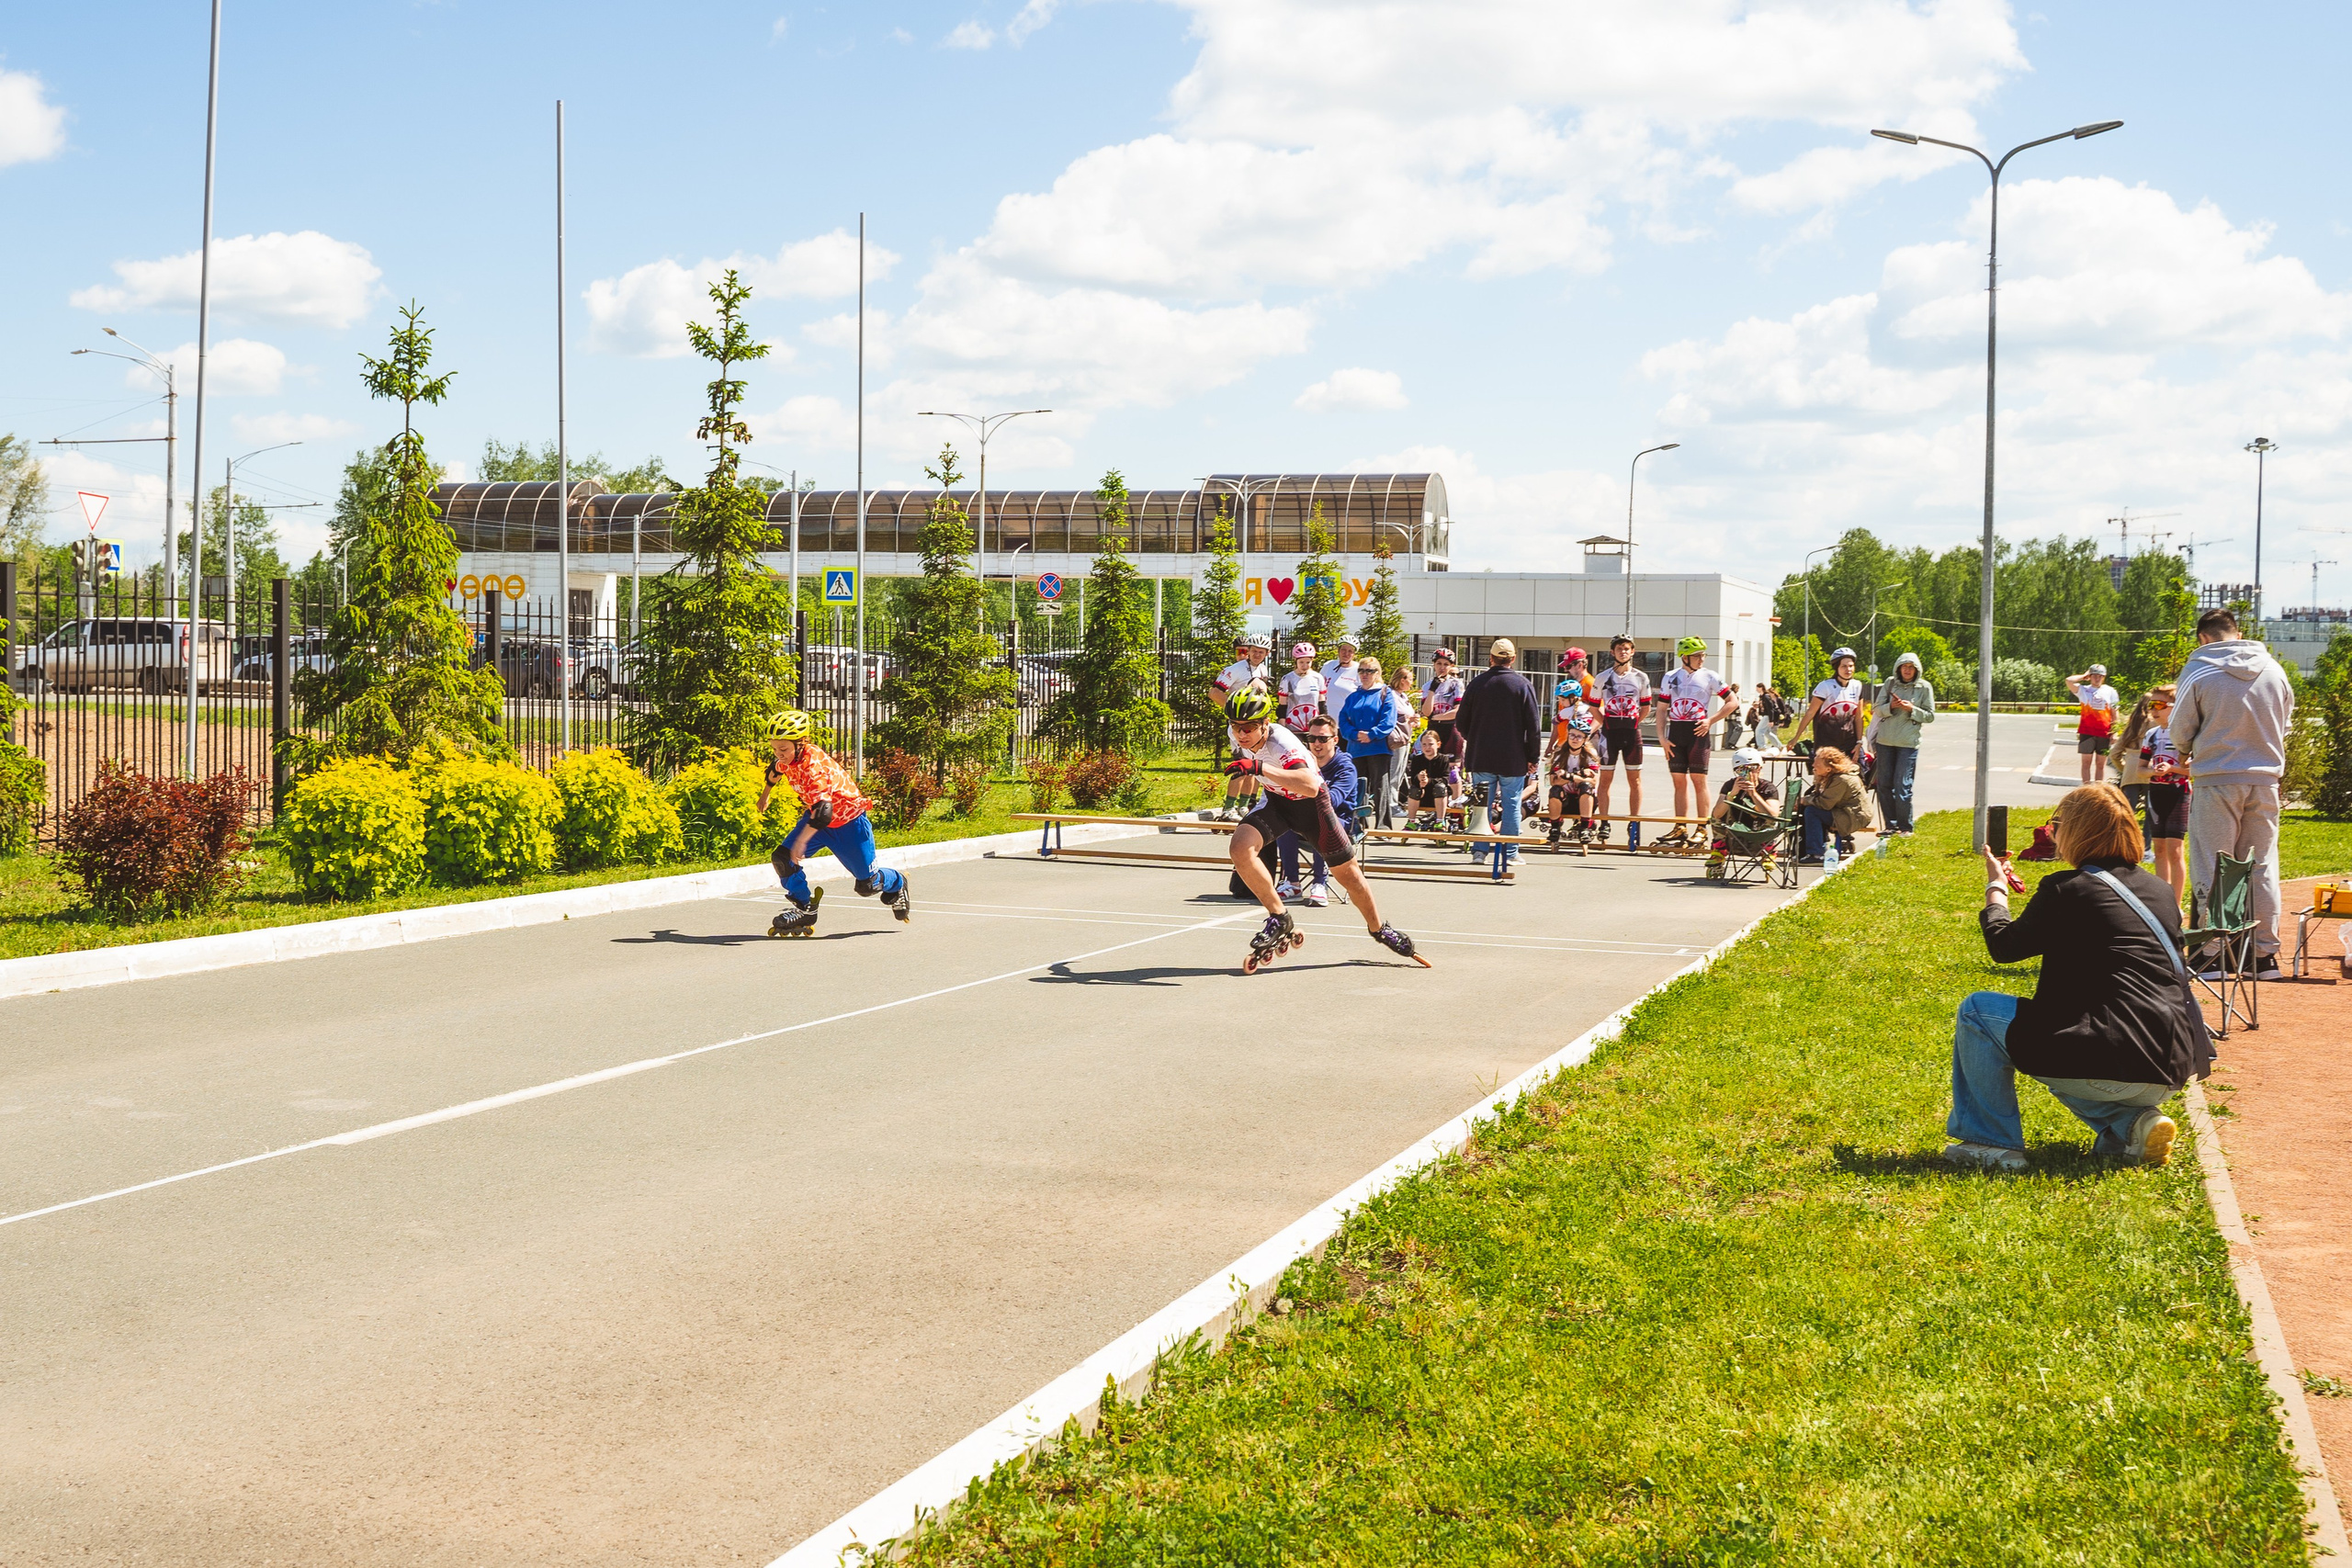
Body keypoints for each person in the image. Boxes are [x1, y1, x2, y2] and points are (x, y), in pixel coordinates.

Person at [1943, 784, 2208, 1172]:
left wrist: (1996, 888)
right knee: (2065, 1051)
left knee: (1978, 1012)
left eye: (2056, 824)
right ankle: (2134, 1124)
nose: (2051, 832)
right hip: (2171, 1063)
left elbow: (2004, 947)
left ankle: (1991, 1142)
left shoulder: (2066, 888)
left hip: (2110, 1057)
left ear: (2076, 831)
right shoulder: (2159, 890)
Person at [1220, 686, 1425, 967]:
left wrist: (1259, 768)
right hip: (1278, 802)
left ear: (1265, 723)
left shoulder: (1283, 743)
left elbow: (1310, 786)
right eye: (1236, 726)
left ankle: (1379, 928)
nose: (1241, 733)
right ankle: (1279, 917)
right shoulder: (1237, 733)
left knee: (1350, 876)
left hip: (1311, 806)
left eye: (1249, 727)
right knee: (1240, 849)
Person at [2169, 607, 2295, 977]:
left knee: (2215, 862)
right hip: (2265, 779)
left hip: (2217, 777)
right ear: (2237, 634)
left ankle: (2214, 953)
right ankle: (2263, 955)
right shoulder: (2274, 670)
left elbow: (2180, 729)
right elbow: (2285, 722)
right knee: (2261, 864)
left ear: (2203, 637)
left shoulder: (2200, 668)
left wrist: (2189, 748)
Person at [755, 709, 911, 935]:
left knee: (867, 885)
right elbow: (774, 770)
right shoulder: (788, 758)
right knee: (782, 858)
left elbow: (823, 811)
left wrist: (801, 843)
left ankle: (897, 882)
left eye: (783, 748)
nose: (779, 754)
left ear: (801, 743)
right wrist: (765, 795)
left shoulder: (813, 767)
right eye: (774, 748)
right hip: (817, 821)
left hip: (849, 825)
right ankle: (804, 908)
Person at [1454, 637, 1544, 870]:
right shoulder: (1523, 685)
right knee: (1512, 803)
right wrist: (1533, 757)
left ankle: (1479, 851)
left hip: (1482, 754)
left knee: (1481, 804)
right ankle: (1510, 852)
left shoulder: (1477, 684)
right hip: (1513, 757)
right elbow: (1533, 727)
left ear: (1490, 659)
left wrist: (1474, 738)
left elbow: (1461, 721)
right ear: (1513, 659)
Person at [1653, 636, 1736, 848]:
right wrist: (1662, 738)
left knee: (1699, 781)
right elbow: (1662, 710)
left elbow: (1732, 702)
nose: (1702, 659)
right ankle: (1680, 827)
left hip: (1698, 733)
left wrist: (1711, 720)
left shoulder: (1710, 676)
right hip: (1676, 733)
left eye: (1703, 655)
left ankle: (1701, 828)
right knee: (1678, 782)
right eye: (1698, 655)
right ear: (1685, 657)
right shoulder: (1670, 677)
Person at [1282, 715, 1360, 907]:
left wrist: (1308, 785)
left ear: (1335, 739)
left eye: (1323, 739)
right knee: (1284, 822)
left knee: (1322, 821)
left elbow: (1332, 801)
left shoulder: (1345, 767)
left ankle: (1319, 883)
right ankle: (1292, 882)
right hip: (1307, 817)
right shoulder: (1301, 764)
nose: (1317, 743)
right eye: (1312, 738)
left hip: (1341, 822)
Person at [1591, 634, 1652, 847]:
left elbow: (1646, 707)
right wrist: (1605, 723)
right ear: (1612, 652)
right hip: (1610, 733)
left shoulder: (1641, 677)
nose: (1623, 652)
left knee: (1634, 780)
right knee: (1605, 780)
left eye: (1627, 649)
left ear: (1633, 651)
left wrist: (1635, 723)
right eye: (1619, 649)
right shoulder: (1602, 677)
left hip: (1631, 732)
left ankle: (1633, 822)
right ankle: (1605, 822)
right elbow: (1592, 706)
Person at [1870, 651, 1936, 835]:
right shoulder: (1890, 683)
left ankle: (1906, 827)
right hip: (1885, 742)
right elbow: (1876, 709)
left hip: (1907, 744)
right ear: (1898, 668)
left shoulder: (1924, 687)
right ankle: (1891, 826)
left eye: (1911, 667)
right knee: (1883, 784)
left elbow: (1930, 716)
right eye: (1904, 666)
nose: (1907, 670)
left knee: (1902, 785)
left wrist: (1911, 709)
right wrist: (1891, 706)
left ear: (1917, 670)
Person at [1211, 630, 1272, 820]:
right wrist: (1234, 713)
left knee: (1253, 766)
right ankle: (1228, 809)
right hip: (1238, 726)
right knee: (1240, 767)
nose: (1257, 654)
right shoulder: (1235, 669)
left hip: (1254, 727)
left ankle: (1243, 806)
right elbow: (1214, 692)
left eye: (1261, 652)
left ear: (1267, 654)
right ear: (1248, 650)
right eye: (1254, 650)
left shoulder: (1263, 670)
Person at [2137, 683, 2189, 905]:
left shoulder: (2185, 733)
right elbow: (2140, 771)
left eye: (2160, 705)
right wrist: (2153, 771)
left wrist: (2172, 770)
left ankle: (2176, 905)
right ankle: (2162, 905)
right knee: (2158, 849)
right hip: (2156, 793)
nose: (2154, 710)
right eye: (2151, 705)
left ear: (2174, 708)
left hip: (2179, 793)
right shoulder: (2151, 735)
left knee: (2175, 850)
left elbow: (2192, 769)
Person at [1340, 655, 1406, 830]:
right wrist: (1354, 734)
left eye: (1369, 671)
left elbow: (1388, 720)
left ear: (1377, 673)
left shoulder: (1385, 693)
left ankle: (1383, 825)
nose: (1365, 674)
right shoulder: (1354, 696)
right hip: (1356, 748)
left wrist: (1372, 734)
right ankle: (1359, 824)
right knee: (1358, 786)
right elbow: (1343, 720)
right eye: (1361, 670)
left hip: (1378, 748)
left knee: (1380, 786)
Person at [1705, 746, 1780, 874]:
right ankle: (1719, 850)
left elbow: (1774, 814)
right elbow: (1717, 814)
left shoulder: (1768, 788)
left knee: (1770, 817)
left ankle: (1768, 851)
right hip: (1734, 829)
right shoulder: (1730, 785)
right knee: (1717, 812)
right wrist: (1732, 794)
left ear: (1759, 768)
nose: (1748, 774)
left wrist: (1754, 794)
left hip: (1759, 830)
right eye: (1741, 770)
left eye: (1752, 769)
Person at [1799, 745, 1872, 863]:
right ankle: (1806, 848)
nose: (1813, 766)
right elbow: (1816, 795)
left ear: (1829, 768)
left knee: (1812, 812)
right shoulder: (1829, 776)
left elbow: (1825, 803)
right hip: (1843, 810)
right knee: (1810, 808)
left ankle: (1816, 853)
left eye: (1817, 765)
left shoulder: (1841, 779)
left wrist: (1804, 800)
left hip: (1854, 816)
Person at [1793, 647, 1866, 762]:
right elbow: (1810, 713)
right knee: (1828, 778)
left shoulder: (1857, 685)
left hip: (1850, 743)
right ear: (1836, 667)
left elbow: (1858, 717)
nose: (1848, 669)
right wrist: (1795, 738)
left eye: (1851, 666)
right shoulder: (1825, 686)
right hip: (1827, 744)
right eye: (1844, 666)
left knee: (1860, 775)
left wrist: (1859, 742)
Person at [1543, 726, 1600, 848]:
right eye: (1572, 735)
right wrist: (1579, 775)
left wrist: (1568, 776)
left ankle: (1584, 827)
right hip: (1566, 801)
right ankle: (1555, 828)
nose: (1575, 739)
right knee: (1555, 791)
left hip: (1585, 801)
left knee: (1586, 786)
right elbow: (1554, 781)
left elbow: (1594, 781)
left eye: (1579, 736)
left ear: (1585, 739)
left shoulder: (1590, 754)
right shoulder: (1560, 753)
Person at [2064, 663, 2122, 784]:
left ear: (2104, 677)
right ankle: (2086, 787)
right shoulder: (2084, 690)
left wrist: (2115, 731)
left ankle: (2098, 788)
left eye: (2100, 676)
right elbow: (2069, 681)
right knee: (2086, 762)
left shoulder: (2110, 691)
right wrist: (2083, 676)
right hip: (2087, 732)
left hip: (2104, 732)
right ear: (2090, 676)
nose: (2097, 678)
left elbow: (2115, 712)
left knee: (2100, 763)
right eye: (2094, 675)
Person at [1401, 728, 1457, 829]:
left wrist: (1429, 781)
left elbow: (1445, 779)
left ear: (1438, 745)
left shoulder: (1443, 759)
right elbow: (1413, 778)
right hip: (1422, 795)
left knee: (1440, 787)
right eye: (1424, 744)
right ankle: (1411, 821)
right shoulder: (1417, 759)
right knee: (1414, 789)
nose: (1427, 747)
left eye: (1431, 744)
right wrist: (1419, 779)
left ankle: (1440, 821)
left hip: (1439, 796)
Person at [1547, 648, 1598, 757]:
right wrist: (1552, 744)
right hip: (1564, 743)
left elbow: (1599, 716)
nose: (1565, 670)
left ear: (1580, 665)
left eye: (1568, 666)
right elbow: (1559, 718)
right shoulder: (1567, 686)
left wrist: (1585, 736)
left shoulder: (1590, 684)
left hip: (1580, 744)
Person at [1421, 647, 1465, 758]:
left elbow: (1456, 712)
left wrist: (1435, 717)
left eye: (1446, 664)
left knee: (1452, 769)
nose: (1442, 667)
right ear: (1434, 664)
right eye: (1439, 663)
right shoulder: (1427, 685)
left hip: (1451, 728)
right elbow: (1426, 712)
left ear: (1451, 666)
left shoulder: (1456, 684)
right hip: (1433, 729)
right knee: (1432, 765)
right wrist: (1432, 689)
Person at [1277, 642, 1326, 733]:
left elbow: (1321, 703)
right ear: (1295, 660)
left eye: (1308, 662)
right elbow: (1282, 705)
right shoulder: (1287, 679)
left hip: (1313, 726)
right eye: (1301, 662)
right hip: (1292, 726)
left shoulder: (1318, 678)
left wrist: (1323, 722)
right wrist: (1282, 726)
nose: (1305, 666)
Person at [1319, 636, 1362, 722]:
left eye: (1350, 651)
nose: (1346, 653)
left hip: (1348, 722)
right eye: (1343, 649)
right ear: (1338, 650)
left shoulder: (1359, 670)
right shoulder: (1328, 666)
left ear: (1354, 654)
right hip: (1327, 721)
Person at [1719, 682, 1745, 751]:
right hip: (1734, 715)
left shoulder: (1729, 695)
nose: (1738, 690)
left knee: (1730, 729)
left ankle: (1727, 744)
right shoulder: (1734, 696)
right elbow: (1735, 706)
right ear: (1735, 688)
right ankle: (1731, 743)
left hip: (1728, 715)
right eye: (1737, 688)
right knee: (1739, 728)